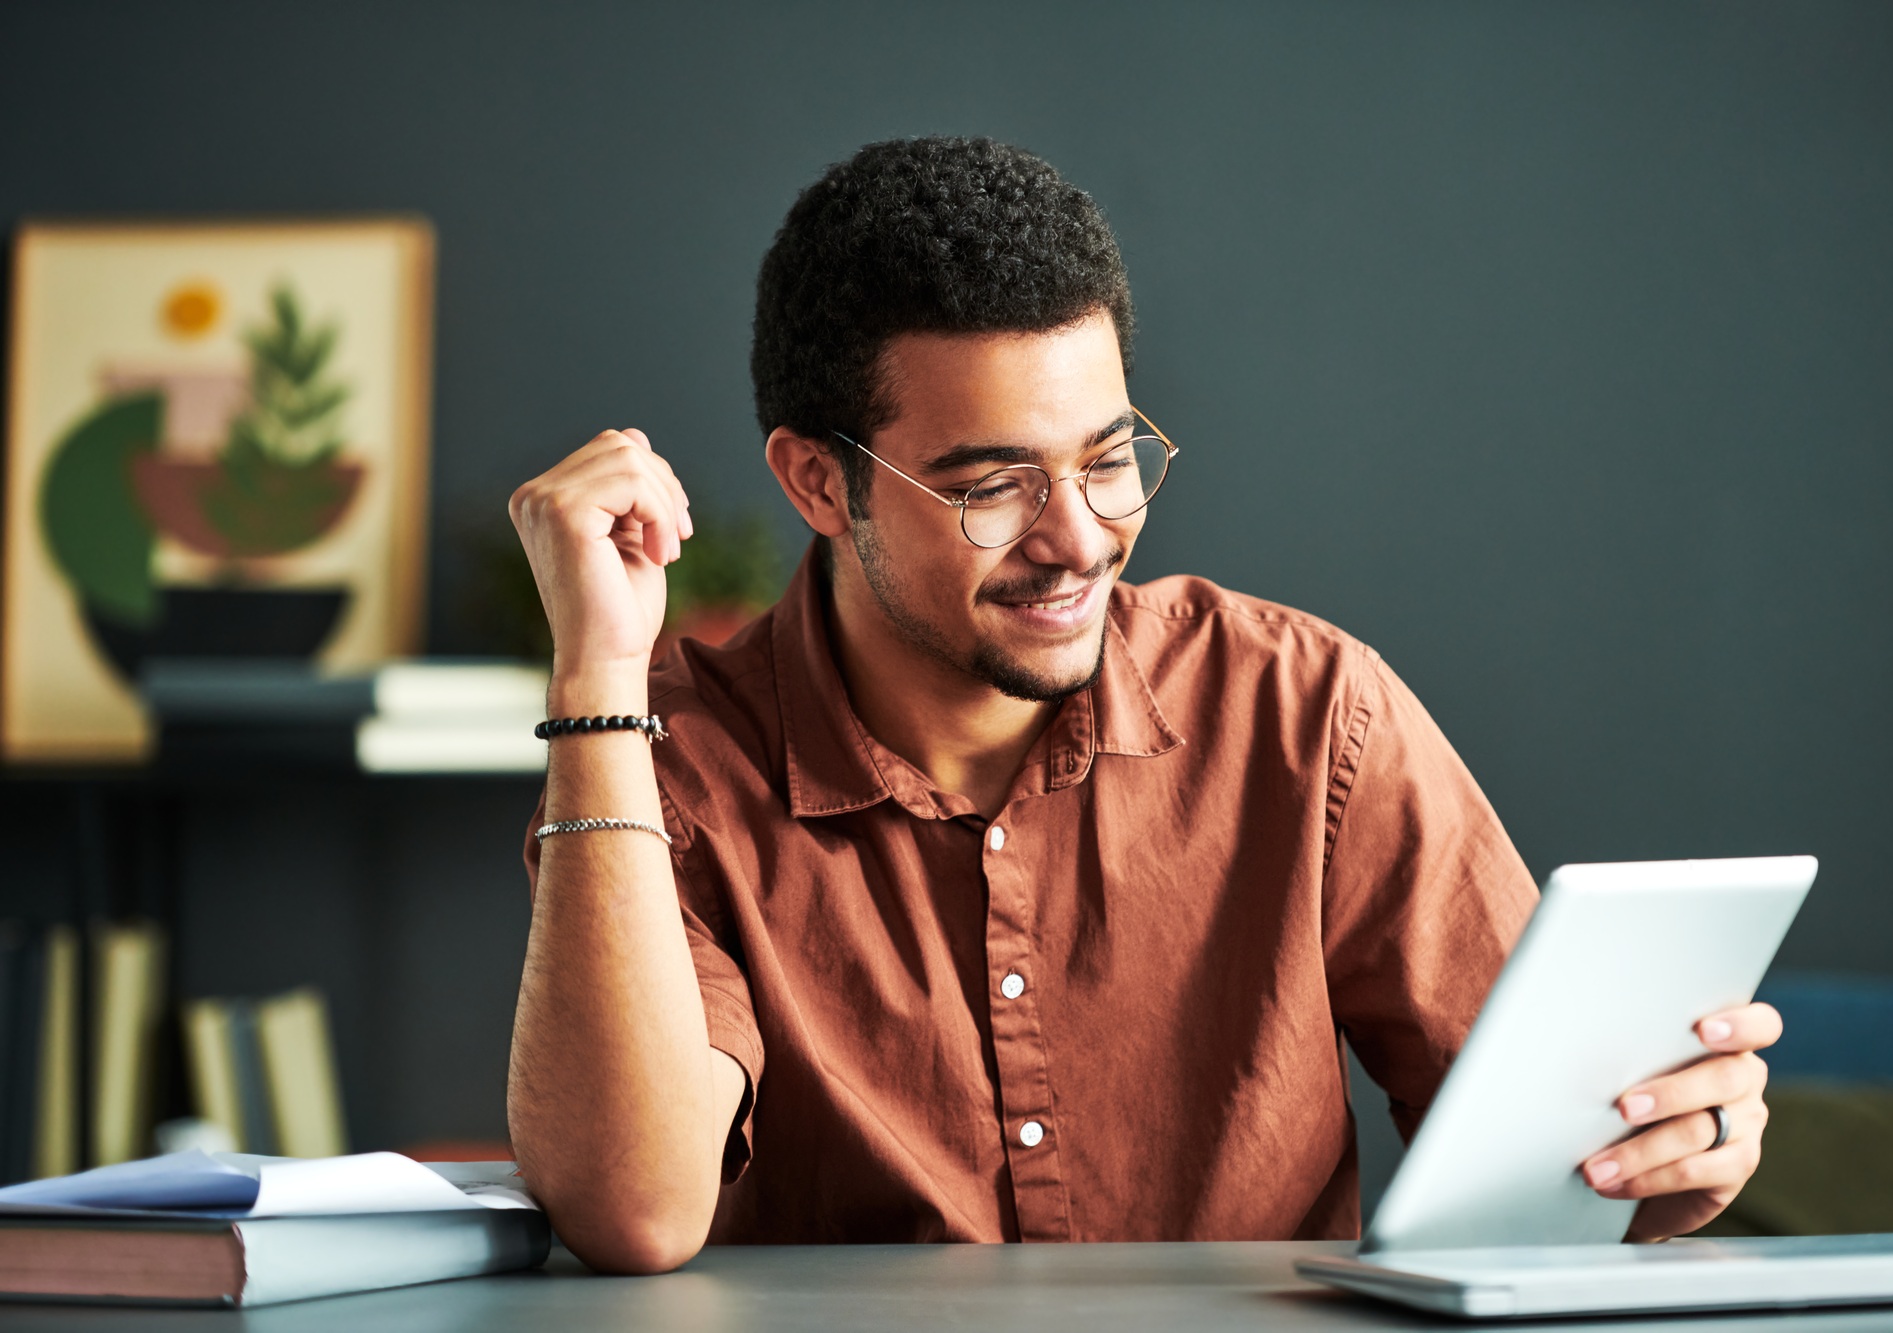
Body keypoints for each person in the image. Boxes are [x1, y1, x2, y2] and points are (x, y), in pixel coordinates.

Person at [505, 137, 1780, 1273]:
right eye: (991, 485)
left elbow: (1567, 1162)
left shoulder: (1304, 711)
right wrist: (596, 682)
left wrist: (1673, 1152)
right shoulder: (667, 766)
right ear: (818, 485)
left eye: (1109, 460)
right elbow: (633, 1214)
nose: (1078, 540)